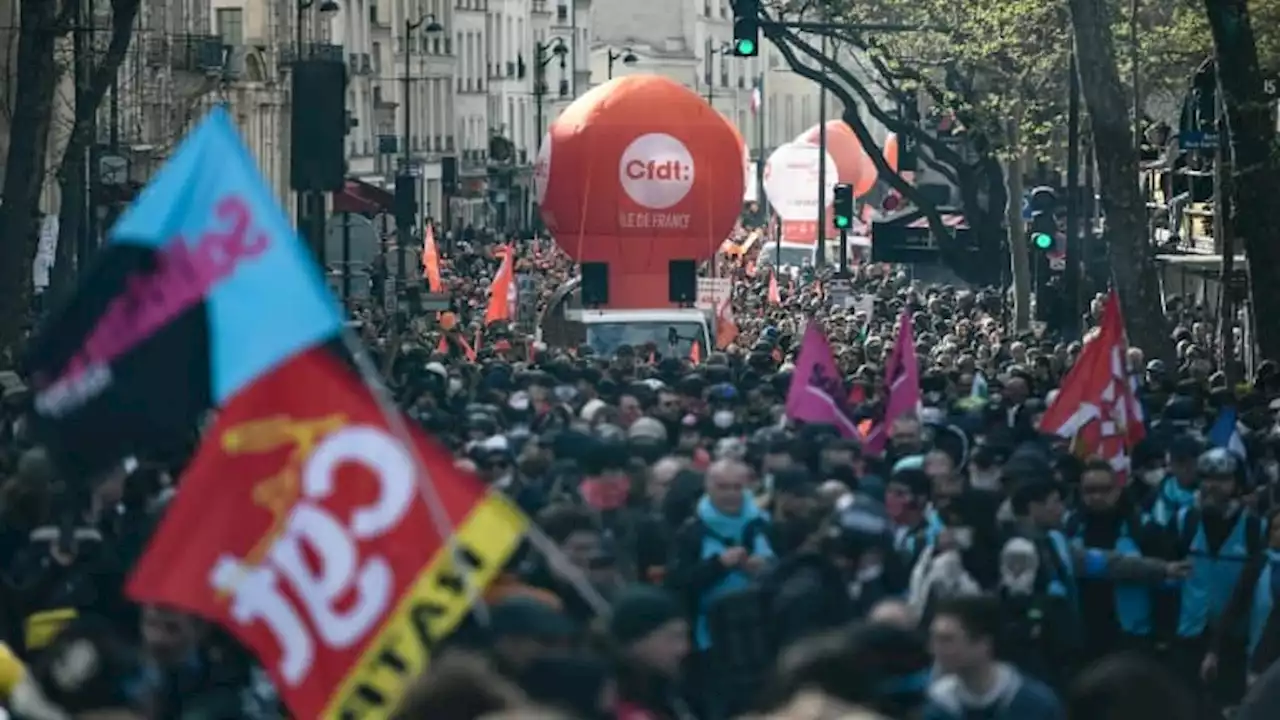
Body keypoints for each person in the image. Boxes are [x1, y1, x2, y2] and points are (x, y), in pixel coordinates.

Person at [922, 595, 1065, 720]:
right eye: (934, 639)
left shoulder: (1036, 706)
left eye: (947, 640)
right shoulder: (937, 708)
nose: (934, 649)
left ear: (983, 644)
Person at [607, 585, 694, 720]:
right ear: (636, 642)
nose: (683, 648)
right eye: (672, 638)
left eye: (685, 637)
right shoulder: (611, 702)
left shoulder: (666, 692)